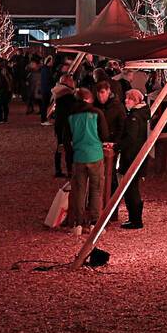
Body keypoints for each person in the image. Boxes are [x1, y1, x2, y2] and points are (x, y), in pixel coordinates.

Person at [66, 88, 106, 231]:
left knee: (79, 190)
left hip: (79, 156)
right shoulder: (97, 113)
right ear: (89, 99)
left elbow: (67, 138)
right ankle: (95, 222)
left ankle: (78, 223)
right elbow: (104, 134)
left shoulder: (70, 115)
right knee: (96, 189)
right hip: (95, 154)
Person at [116, 87, 150, 229]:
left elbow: (131, 138)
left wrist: (118, 146)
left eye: (128, 99)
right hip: (138, 156)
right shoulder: (142, 114)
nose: (126, 101)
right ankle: (135, 219)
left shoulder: (134, 117)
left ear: (134, 101)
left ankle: (135, 220)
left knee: (131, 189)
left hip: (131, 157)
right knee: (133, 187)